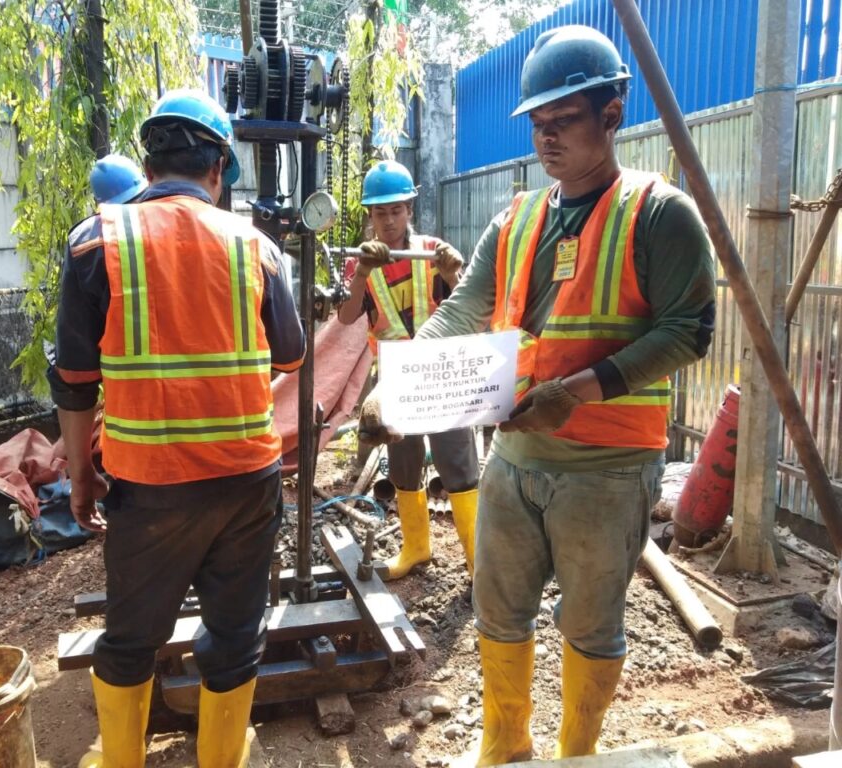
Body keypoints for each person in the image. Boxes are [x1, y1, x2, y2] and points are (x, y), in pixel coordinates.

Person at [359, 26, 716, 764]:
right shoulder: (516, 219)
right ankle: (504, 747)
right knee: (500, 609)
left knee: (589, 625)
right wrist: (397, 382)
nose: (546, 139)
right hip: (515, 458)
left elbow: (689, 331)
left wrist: (579, 391)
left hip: (606, 469)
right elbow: (462, 310)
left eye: (564, 122)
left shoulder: (659, 214)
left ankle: (576, 752)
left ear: (612, 114)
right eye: (538, 125)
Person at [49, 89, 305, 768]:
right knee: (234, 635)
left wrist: (81, 475)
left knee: (130, 642)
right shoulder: (257, 248)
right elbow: (292, 355)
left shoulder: (94, 242)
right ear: (219, 167)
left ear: (150, 162)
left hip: (150, 488)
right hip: (248, 484)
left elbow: (73, 381)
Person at [337, 159, 480, 579]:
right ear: (370, 215)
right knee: (403, 463)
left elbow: (472, 308)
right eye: (380, 212)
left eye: (396, 210)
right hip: (396, 381)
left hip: (440, 374)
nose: (388, 220)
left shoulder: (433, 252)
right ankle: (417, 548)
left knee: (459, 464)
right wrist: (362, 272)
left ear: (410, 210)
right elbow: (347, 318)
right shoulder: (358, 263)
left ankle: (477, 562)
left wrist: (455, 274)